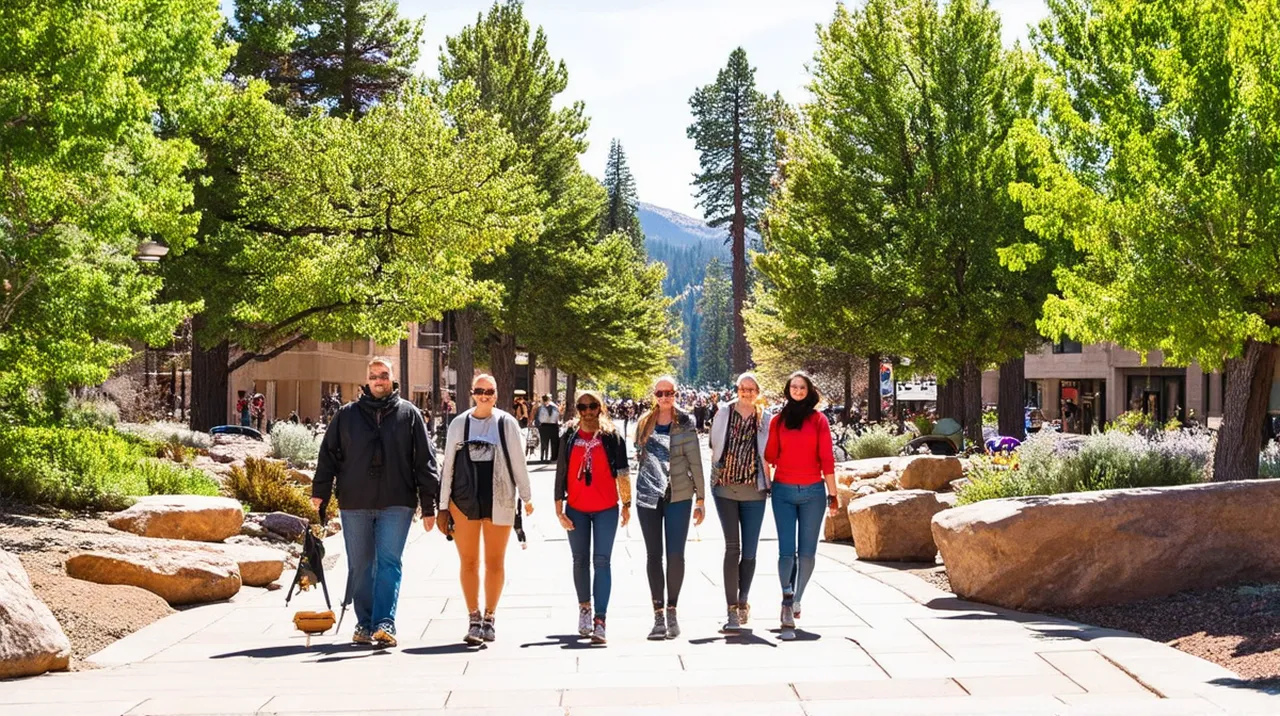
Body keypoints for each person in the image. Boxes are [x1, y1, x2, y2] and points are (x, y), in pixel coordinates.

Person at [310, 357, 439, 649]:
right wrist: (320, 492)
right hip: (354, 502)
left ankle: (384, 623)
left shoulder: (409, 414)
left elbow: (425, 461)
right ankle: (364, 623)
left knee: (389, 562)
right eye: (373, 376)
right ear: (367, 380)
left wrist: (429, 505)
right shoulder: (347, 415)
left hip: (398, 501)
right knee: (360, 564)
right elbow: (328, 455)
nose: (378, 380)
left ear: (392, 379)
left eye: (383, 375)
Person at [439, 374, 534, 645]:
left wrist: (526, 497)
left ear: (496, 394)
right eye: (479, 390)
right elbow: (448, 466)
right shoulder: (459, 424)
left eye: (489, 391)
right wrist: (443, 506)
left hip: (499, 498)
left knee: (495, 561)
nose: (484, 396)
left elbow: (518, 461)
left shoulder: (507, 423)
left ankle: (490, 617)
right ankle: (473, 617)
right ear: (472, 393)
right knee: (468, 561)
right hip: (463, 500)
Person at [763, 371, 838, 641]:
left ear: (809, 391)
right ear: (788, 390)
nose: (797, 391)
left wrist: (833, 494)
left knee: (807, 554)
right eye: (793, 387)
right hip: (782, 491)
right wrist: (768, 483)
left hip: (813, 493)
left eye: (802, 387)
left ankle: (797, 599)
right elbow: (769, 455)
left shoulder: (819, 420)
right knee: (786, 552)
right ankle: (786, 599)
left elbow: (826, 459)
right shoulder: (778, 420)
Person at [554, 390, 630, 644]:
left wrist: (627, 503)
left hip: (606, 508)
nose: (587, 411)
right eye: (582, 407)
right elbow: (561, 471)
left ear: (600, 408)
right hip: (576, 509)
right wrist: (558, 508)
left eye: (592, 406)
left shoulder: (612, 436)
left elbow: (623, 471)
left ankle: (600, 620)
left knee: (602, 561)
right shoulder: (569, 435)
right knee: (579, 561)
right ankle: (584, 609)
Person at [633, 376, 705, 640]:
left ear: (676, 394)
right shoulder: (644, 422)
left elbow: (695, 461)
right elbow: (639, 456)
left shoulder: (685, 422)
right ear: (654, 395)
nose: (665, 397)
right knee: (654, 555)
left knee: (676, 555)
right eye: (660, 393)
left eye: (669, 392)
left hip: (679, 495)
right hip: (649, 495)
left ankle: (672, 610)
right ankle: (658, 615)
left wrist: (701, 499)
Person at [708, 372, 771, 633]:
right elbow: (713, 443)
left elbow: (770, 451)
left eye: (751, 389)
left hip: (754, 491)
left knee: (750, 551)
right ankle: (731, 608)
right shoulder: (724, 413)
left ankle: (744, 598)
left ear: (758, 392)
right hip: (725, 488)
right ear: (737, 390)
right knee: (732, 548)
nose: (747, 392)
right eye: (743, 388)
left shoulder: (765, 418)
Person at [535, 394, 562, 463]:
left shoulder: (543, 407)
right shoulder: (553, 407)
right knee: (551, 442)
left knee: (547, 442)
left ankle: (547, 457)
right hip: (549, 426)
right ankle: (550, 457)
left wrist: (538, 425)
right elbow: (558, 416)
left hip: (547, 426)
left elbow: (537, 417)